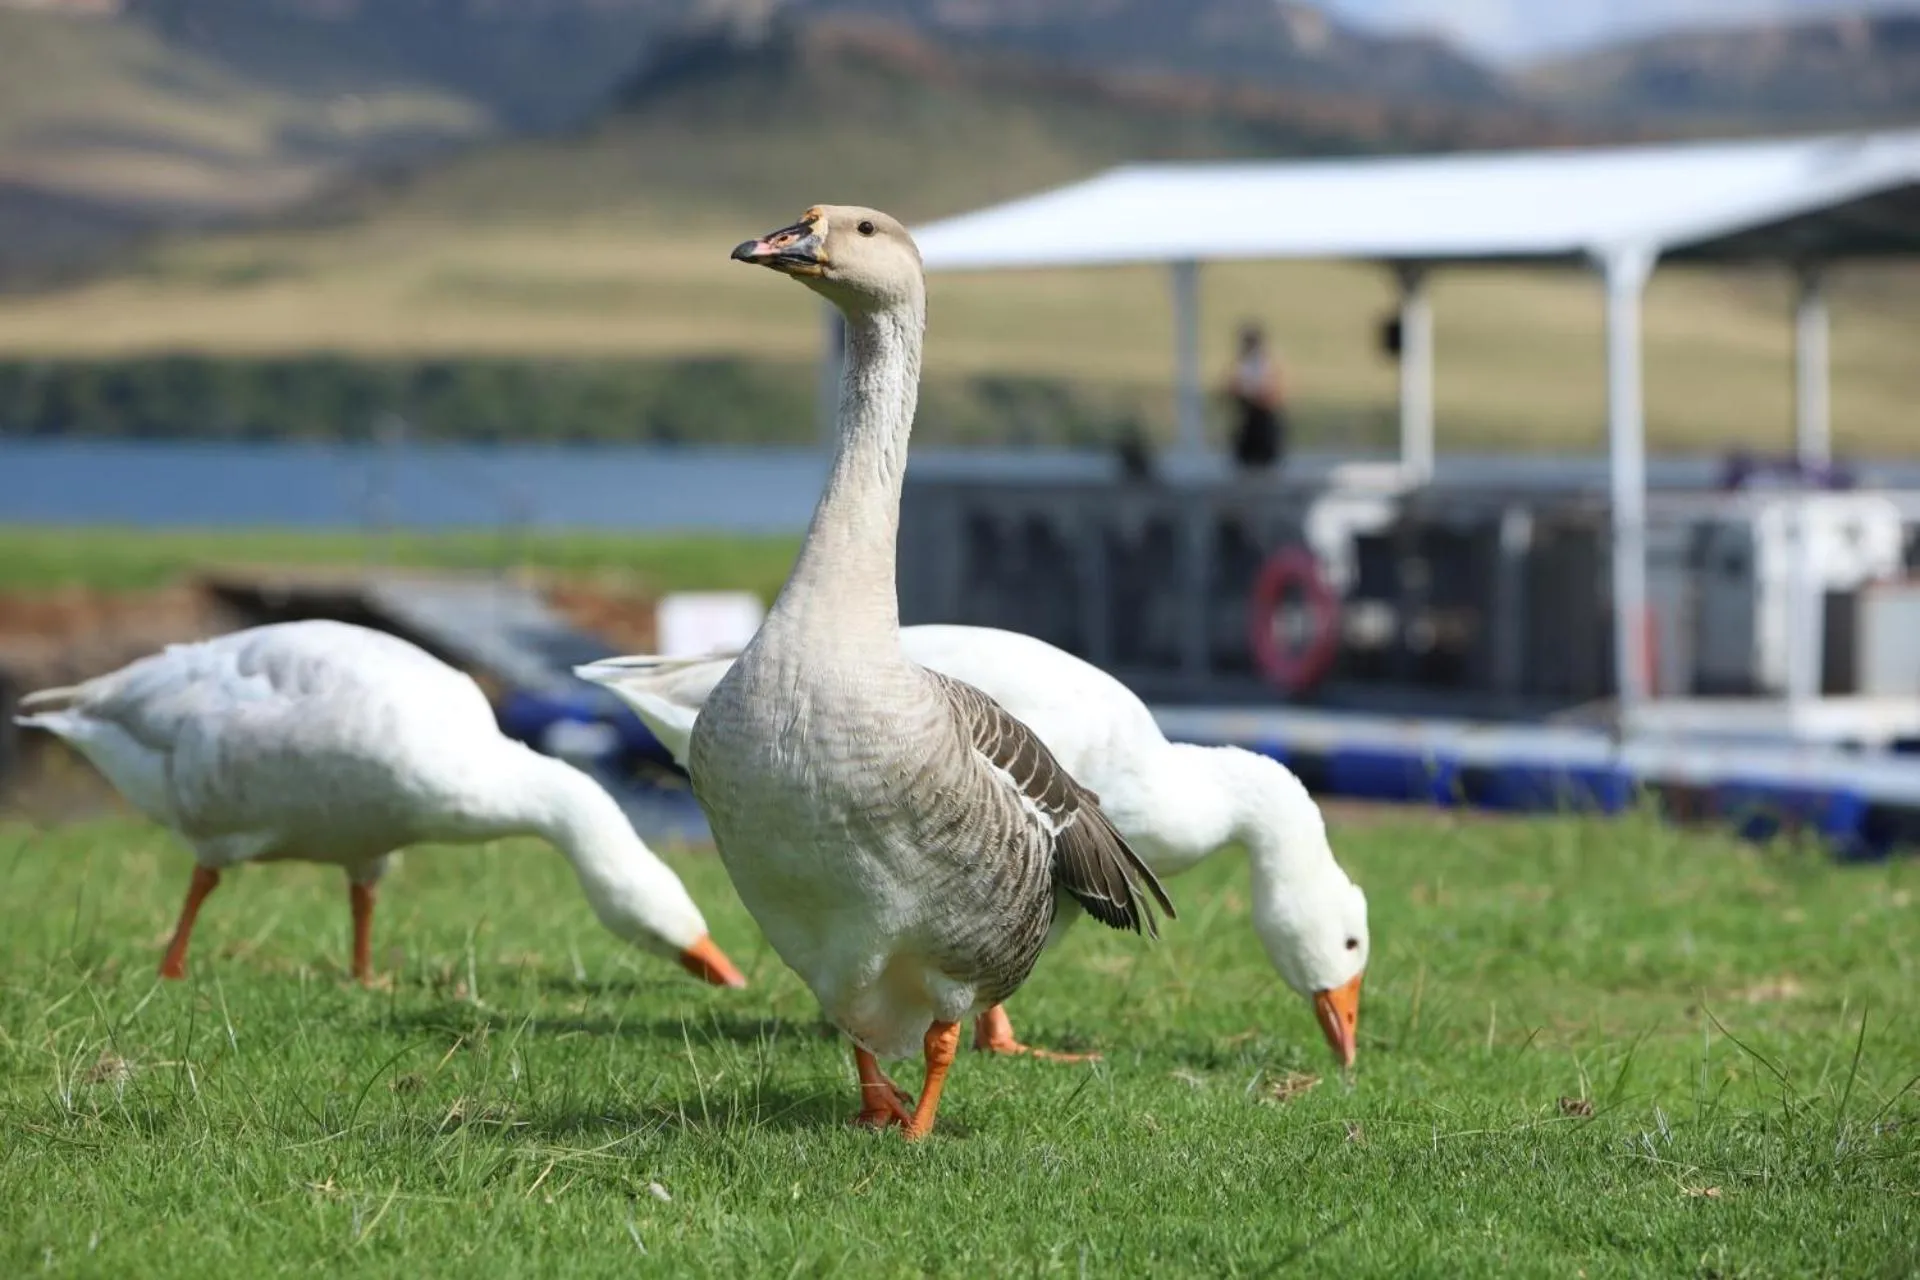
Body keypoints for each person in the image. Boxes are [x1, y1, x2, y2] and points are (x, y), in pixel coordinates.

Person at [1223, 322, 1287, 471]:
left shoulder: (1264, 363)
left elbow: (1272, 391)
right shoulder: (1242, 363)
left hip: (1262, 419)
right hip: (1248, 417)